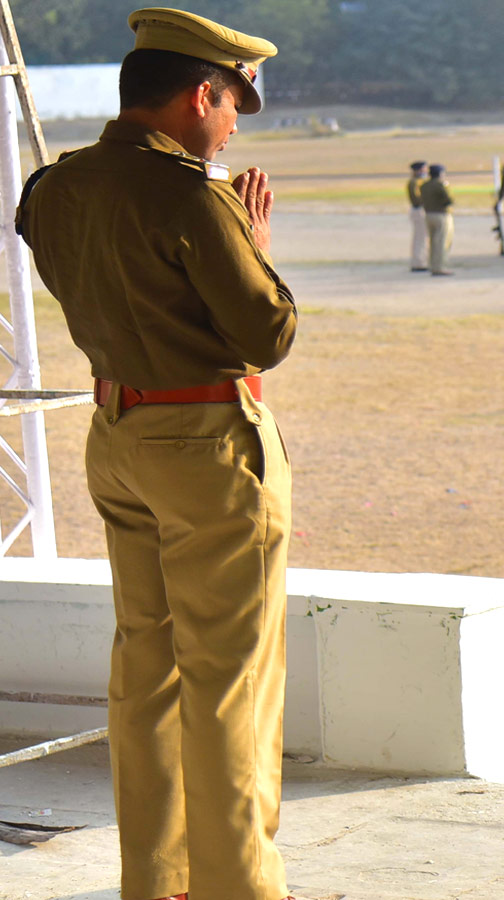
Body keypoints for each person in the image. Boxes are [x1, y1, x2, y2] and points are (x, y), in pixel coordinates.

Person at [16, 9, 296, 900]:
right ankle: (238, 887)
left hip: (120, 436)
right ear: (200, 93)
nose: (231, 126)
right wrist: (247, 240)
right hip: (208, 445)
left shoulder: (54, 188)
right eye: (230, 106)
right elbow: (268, 330)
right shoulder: (190, 194)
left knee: (147, 671)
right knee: (231, 684)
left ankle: (159, 881)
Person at [420, 164, 453, 275]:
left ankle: (432, 265)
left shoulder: (424, 186)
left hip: (428, 214)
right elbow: (448, 200)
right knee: (441, 242)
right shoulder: (439, 185)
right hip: (440, 214)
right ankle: (440, 267)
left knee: (433, 241)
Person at [407, 160, 428, 272]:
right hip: (419, 210)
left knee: (422, 238)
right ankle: (418, 262)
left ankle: (421, 260)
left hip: (420, 210)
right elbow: (417, 198)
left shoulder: (419, 181)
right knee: (421, 238)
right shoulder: (415, 182)